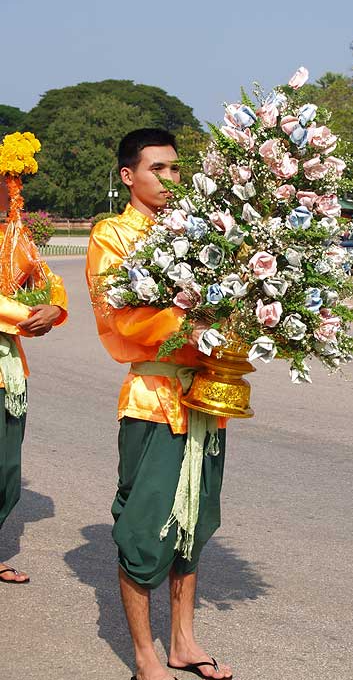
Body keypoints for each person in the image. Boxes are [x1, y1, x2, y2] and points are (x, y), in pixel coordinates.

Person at [85, 129, 232, 680]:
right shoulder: (112, 236)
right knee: (144, 530)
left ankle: (183, 641)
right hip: (153, 401)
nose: (171, 179)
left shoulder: (199, 232)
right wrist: (188, 322)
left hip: (205, 398)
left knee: (194, 518)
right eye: (159, 169)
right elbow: (118, 322)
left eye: (176, 170)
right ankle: (146, 656)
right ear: (129, 175)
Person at [0, 248, 68, 584]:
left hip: (8, 373)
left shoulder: (13, 237)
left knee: (7, 473)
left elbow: (48, 279)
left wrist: (55, 308)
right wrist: (27, 316)